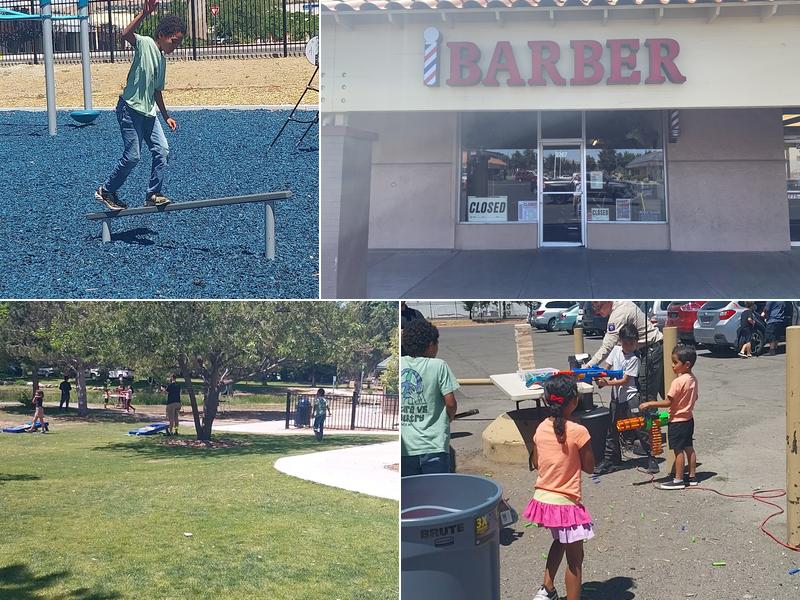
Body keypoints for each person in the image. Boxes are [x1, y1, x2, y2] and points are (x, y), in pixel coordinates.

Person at [94, 0, 186, 211]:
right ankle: (106, 191)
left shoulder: (162, 61)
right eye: (173, 41)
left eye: (178, 43)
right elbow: (125, 34)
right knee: (133, 156)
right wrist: (144, 13)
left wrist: (166, 116)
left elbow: (157, 91)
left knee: (162, 150)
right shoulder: (145, 43)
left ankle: (153, 194)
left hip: (148, 112)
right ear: (162, 35)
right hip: (129, 109)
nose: (175, 47)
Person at [525, 375, 594, 600]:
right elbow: (590, 467)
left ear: (547, 400)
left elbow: (537, 463)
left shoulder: (540, 428)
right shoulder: (578, 431)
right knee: (575, 560)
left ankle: (547, 589)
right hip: (565, 503)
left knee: (560, 540)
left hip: (543, 499)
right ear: (574, 400)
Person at [594, 324, 659, 475]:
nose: (628, 346)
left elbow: (625, 380)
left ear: (636, 342)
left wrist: (606, 383)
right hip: (616, 397)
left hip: (631, 397)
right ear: (620, 341)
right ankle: (611, 459)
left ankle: (652, 458)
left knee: (640, 427)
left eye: (632, 343)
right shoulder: (616, 350)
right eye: (625, 342)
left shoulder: (634, 358)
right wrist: (598, 375)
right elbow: (607, 368)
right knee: (612, 429)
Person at [400, 318, 459, 476]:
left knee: (410, 490)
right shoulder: (439, 365)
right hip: (434, 445)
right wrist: (449, 418)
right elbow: (451, 403)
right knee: (437, 488)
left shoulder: (400, 364)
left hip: (405, 448)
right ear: (430, 345)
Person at [640, 344, 699, 490]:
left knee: (678, 451)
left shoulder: (677, 382)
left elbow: (668, 402)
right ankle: (692, 477)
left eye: (675, 362)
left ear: (687, 364)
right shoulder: (693, 379)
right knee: (689, 448)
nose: (672, 365)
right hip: (688, 419)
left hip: (677, 421)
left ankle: (678, 480)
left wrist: (649, 403)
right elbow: (695, 397)